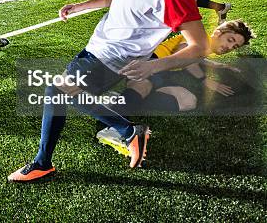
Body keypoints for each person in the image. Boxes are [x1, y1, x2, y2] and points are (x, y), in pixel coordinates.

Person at [7, 0, 210, 183]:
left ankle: (124, 133)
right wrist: (82, 6)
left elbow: (199, 45)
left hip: (112, 57)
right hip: (99, 48)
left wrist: (154, 65)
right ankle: (58, 155)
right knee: (62, 96)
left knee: (57, 90)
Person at [96, 19, 255, 156]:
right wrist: (205, 80)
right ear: (218, 32)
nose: (230, 47)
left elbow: (199, 58)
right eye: (230, 40)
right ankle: (108, 128)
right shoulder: (201, 38)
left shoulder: (206, 45)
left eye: (234, 46)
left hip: (162, 72)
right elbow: (184, 52)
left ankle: (119, 99)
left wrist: (220, 66)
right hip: (149, 62)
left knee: (188, 101)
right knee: (144, 85)